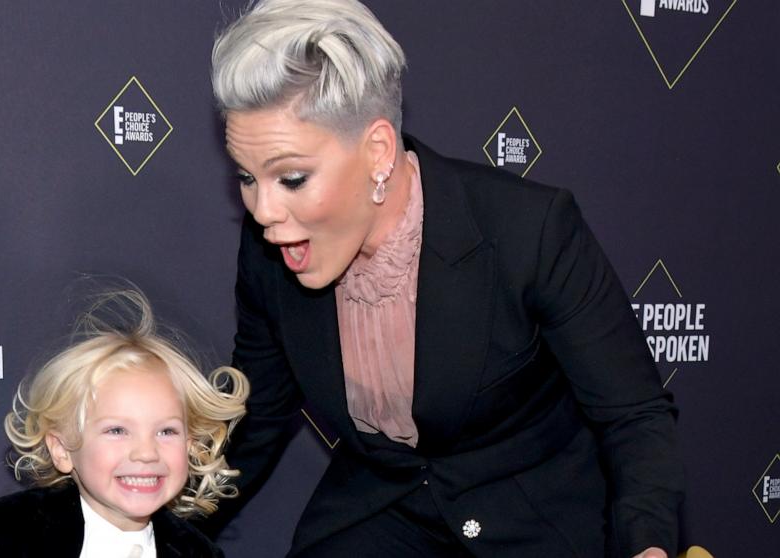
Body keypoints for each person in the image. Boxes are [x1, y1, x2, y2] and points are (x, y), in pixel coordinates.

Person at [207, 1, 684, 557]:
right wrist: (149, 526)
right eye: (246, 177)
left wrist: (648, 545)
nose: (263, 211)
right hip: (378, 515)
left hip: (529, 519)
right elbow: (257, 418)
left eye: (291, 178)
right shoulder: (272, 248)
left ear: (378, 152)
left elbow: (634, 415)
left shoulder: (528, 230)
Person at [0, 290, 249, 558]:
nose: (146, 452)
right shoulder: (9, 533)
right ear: (61, 449)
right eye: (117, 431)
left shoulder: (198, 553)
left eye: (166, 431)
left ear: (191, 445)